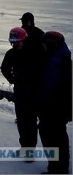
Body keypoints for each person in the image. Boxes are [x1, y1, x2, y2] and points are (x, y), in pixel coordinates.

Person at [36, 31, 71, 174]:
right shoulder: (58, 57)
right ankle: (57, 165)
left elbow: (49, 85)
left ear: (52, 44)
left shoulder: (56, 61)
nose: (43, 46)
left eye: (45, 43)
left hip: (53, 106)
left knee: (53, 135)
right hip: (55, 105)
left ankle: (58, 167)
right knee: (56, 135)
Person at [0, 27, 37, 151]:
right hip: (20, 90)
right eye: (13, 42)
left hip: (32, 91)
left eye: (17, 42)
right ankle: (25, 146)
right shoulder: (11, 53)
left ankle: (30, 149)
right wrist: (13, 79)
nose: (14, 44)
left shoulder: (33, 52)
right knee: (21, 120)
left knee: (30, 121)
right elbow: (4, 68)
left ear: (24, 40)